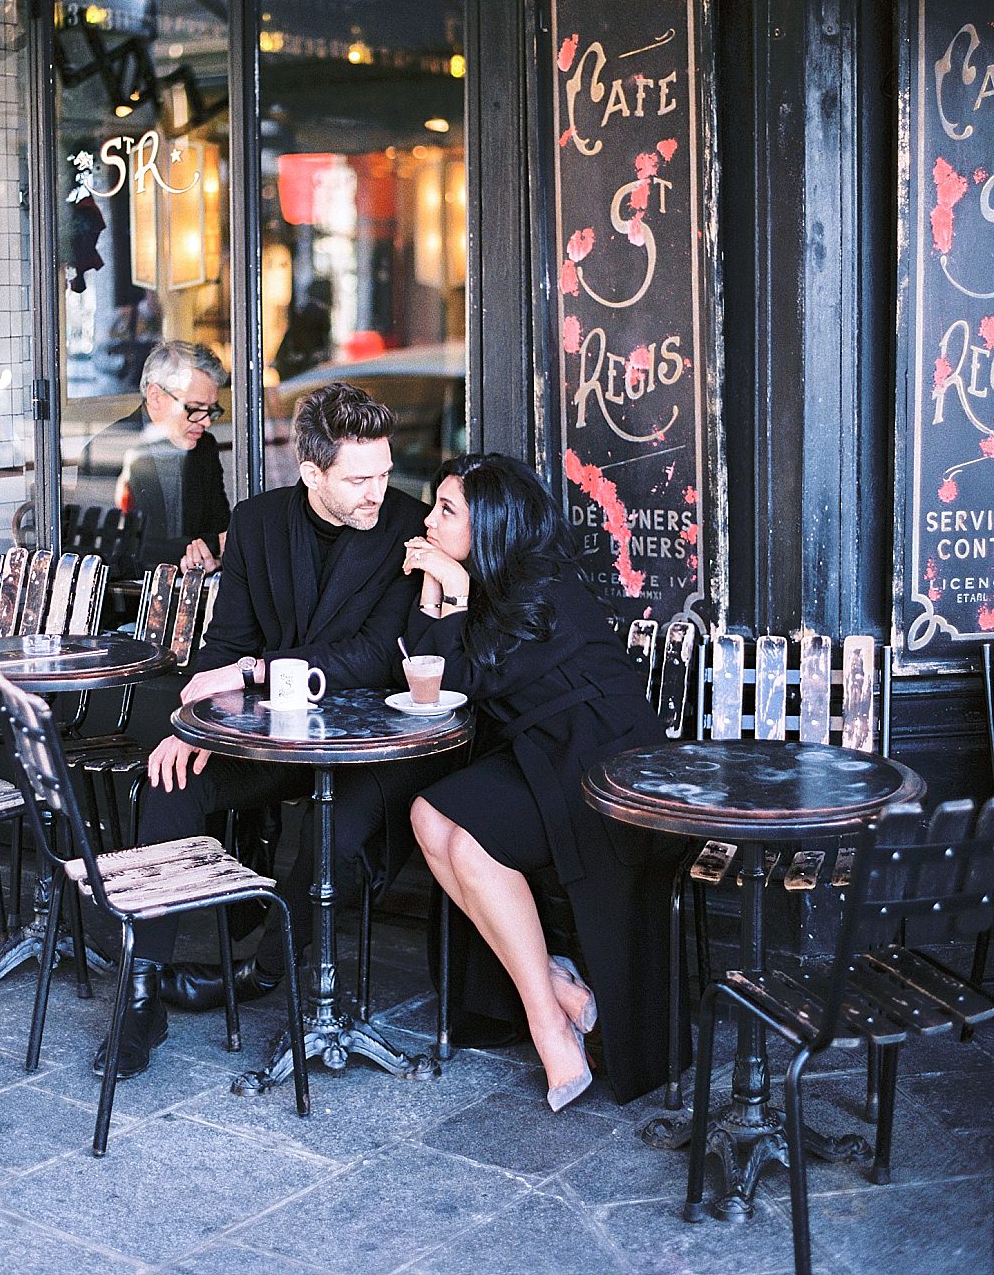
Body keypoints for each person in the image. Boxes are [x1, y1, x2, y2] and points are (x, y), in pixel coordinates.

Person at [96, 381, 452, 1079]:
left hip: (373, 745)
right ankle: (140, 996)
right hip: (277, 739)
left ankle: (260, 972)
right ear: (310, 470)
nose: (377, 493)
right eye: (358, 479)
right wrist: (189, 726)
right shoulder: (258, 523)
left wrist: (257, 671)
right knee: (169, 781)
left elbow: (376, 658)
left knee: (339, 838)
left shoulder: (406, 527)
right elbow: (225, 643)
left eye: (383, 473)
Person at [402, 453, 684, 1110]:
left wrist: (453, 587)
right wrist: (436, 586)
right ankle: (556, 994)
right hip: (541, 754)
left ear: (492, 523)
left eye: (447, 511)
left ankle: (549, 1021)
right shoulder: (490, 579)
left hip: (604, 765)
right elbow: (422, 673)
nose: (428, 520)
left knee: (469, 844)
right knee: (428, 816)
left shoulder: (542, 584)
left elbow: (463, 678)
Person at [76, 340, 230, 575]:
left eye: (211, 410)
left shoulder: (204, 448)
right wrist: (201, 550)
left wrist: (212, 559)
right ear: (156, 397)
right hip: (129, 602)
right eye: (196, 408)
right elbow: (109, 550)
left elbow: (222, 530)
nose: (207, 421)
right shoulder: (106, 449)